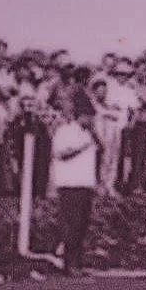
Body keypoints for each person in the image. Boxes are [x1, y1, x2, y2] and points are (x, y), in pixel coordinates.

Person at [50, 102, 100, 275]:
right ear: (79, 116)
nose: (91, 120)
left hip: (85, 183)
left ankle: (77, 262)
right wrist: (82, 146)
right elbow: (60, 153)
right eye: (88, 116)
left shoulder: (89, 134)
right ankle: (68, 263)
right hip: (70, 183)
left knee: (82, 225)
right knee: (71, 224)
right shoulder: (65, 131)